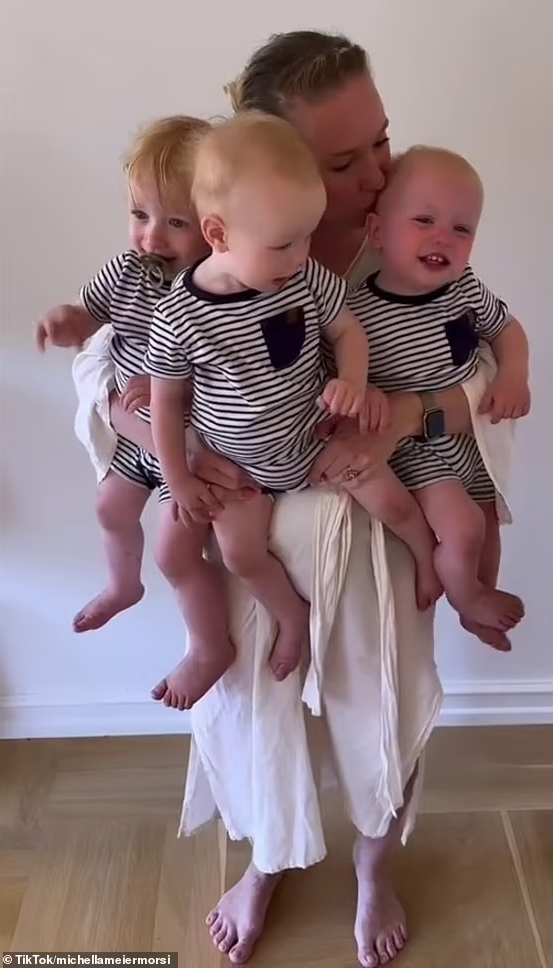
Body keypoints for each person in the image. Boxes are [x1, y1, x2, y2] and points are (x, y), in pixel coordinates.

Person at [72, 30, 514, 968]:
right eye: (343, 161)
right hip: (255, 530)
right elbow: (111, 361)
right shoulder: (205, 250)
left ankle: (374, 869)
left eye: (381, 141)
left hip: (377, 536)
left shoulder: (418, 235)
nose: (376, 173)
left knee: (381, 701)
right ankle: (267, 857)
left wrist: (408, 415)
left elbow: (484, 367)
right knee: (256, 706)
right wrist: (146, 425)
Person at [145, 111, 374, 685]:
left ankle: (445, 573)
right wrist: (179, 478)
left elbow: (349, 331)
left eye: (307, 238)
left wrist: (352, 380)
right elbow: (166, 405)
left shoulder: (304, 277)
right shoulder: (179, 316)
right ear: (218, 235)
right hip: (238, 467)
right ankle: (291, 616)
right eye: (282, 244)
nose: (300, 256)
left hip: (311, 442)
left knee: (392, 498)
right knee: (239, 554)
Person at [36, 116, 236, 711]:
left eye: (175, 222)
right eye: (139, 214)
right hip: (135, 435)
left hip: (190, 442)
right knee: (109, 508)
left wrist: (170, 380)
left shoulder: (220, 287)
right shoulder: (127, 271)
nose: (151, 236)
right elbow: (91, 316)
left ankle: (210, 648)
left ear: (215, 223)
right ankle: (122, 585)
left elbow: (231, 369)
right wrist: (68, 321)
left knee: (177, 551)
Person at [348, 145, 530, 650]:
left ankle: (478, 598)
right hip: (411, 451)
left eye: (461, 228)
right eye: (424, 220)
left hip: (469, 440)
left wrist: (513, 375)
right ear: (378, 232)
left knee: (487, 521)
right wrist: (365, 393)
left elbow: (507, 330)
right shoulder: (356, 311)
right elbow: (339, 371)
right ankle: (465, 596)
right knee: (464, 526)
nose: (442, 238)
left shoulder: (464, 288)